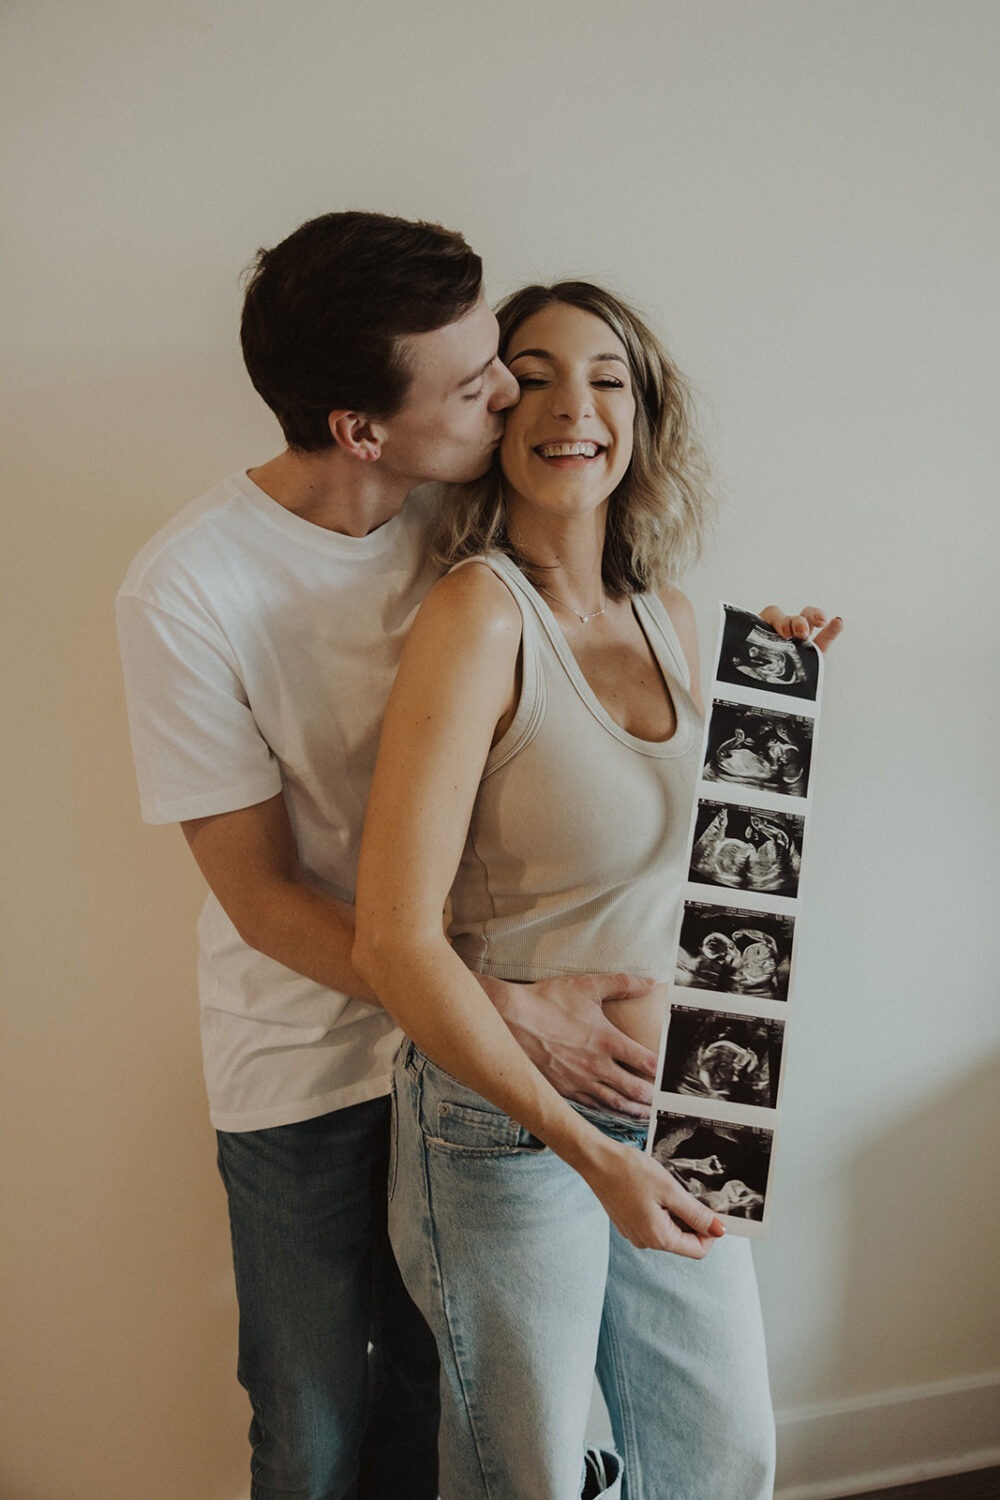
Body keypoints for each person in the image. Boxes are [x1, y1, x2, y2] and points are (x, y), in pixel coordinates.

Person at [116, 214, 686, 1500]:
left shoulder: (466, 509)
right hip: (312, 1061)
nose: (510, 390)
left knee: (466, 1408)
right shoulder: (187, 591)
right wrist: (492, 1007)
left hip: (485, 1068)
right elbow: (260, 895)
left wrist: (768, 679)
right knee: (317, 1423)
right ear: (359, 430)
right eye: (480, 376)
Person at [353, 280, 841, 1499]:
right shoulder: (476, 616)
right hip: (507, 1132)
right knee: (541, 1481)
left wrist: (772, 715)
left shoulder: (680, 621)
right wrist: (589, 1152)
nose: (574, 405)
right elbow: (393, 942)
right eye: (535, 373)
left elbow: (716, 903)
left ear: (643, 412)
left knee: (721, 1459)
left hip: (685, 1112)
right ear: (494, 411)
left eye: (607, 377)